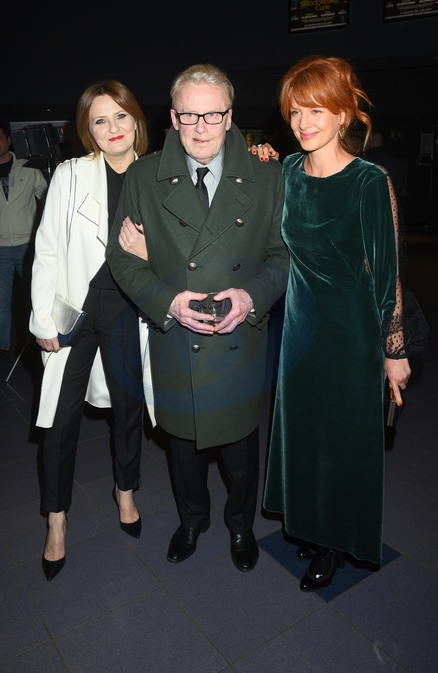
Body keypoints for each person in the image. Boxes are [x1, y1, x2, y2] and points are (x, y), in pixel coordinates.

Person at [106, 64, 289, 572]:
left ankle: (241, 526)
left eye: (212, 115)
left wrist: (250, 297)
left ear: (230, 117)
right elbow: (122, 258)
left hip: (238, 338)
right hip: (175, 339)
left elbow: (282, 256)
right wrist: (168, 301)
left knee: (240, 449)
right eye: (189, 115)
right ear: (173, 118)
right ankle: (192, 519)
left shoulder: (267, 176)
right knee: (182, 449)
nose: (201, 126)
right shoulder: (143, 177)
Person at [263, 55, 411, 591]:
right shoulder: (286, 170)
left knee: (340, 441)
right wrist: (257, 156)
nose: (303, 123)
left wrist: (394, 351)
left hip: (352, 334)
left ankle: (334, 541)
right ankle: (309, 523)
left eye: (316, 111)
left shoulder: (369, 181)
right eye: (295, 112)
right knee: (303, 435)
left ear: (343, 114)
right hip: (299, 330)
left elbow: (387, 273)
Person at [29, 80, 148, 581]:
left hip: (128, 309)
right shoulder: (70, 174)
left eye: (120, 116)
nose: (113, 128)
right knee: (59, 421)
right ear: (88, 130)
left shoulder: (156, 175)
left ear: (136, 119)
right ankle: (56, 519)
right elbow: (47, 247)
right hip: (75, 309)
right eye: (100, 120)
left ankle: (126, 490)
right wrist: (42, 318)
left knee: (128, 410)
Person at [0, 122, 47, 368]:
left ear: (8, 141)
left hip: (27, 246)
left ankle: (38, 340)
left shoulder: (28, 167)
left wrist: (42, 234)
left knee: (35, 297)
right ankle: (0, 345)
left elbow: (47, 198)